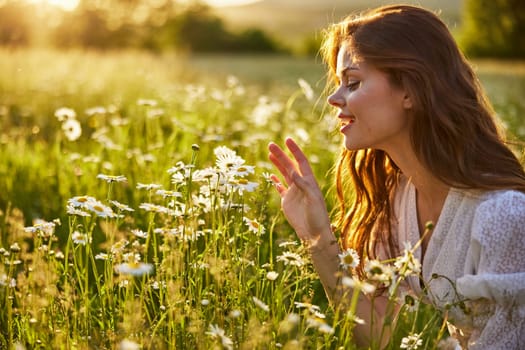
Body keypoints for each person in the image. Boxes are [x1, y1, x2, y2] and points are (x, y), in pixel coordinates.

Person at [268, 4, 525, 349]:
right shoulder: (398, 200)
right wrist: (317, 237)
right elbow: (384, 339)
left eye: (353, 82)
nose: (333, 98)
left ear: (410, 90)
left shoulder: (503, 217)